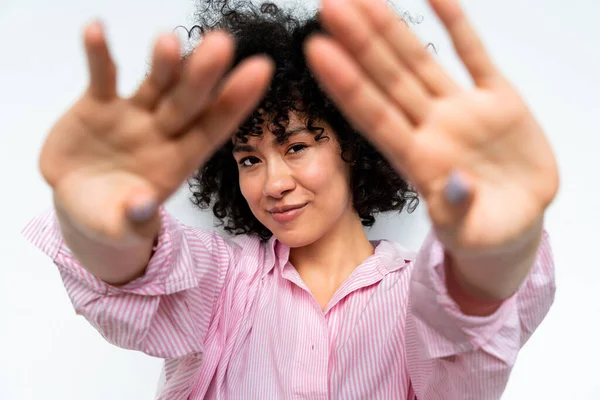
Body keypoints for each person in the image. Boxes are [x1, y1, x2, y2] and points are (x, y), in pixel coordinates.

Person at [22, 0, 559, 398]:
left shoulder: (417, 297)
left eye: (296, 145)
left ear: (354, 143)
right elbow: (151, 276)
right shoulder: (226, 283)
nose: (272, 182)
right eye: (249, 159)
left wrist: (496, 246)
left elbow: (465, 346)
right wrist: (102, 226)